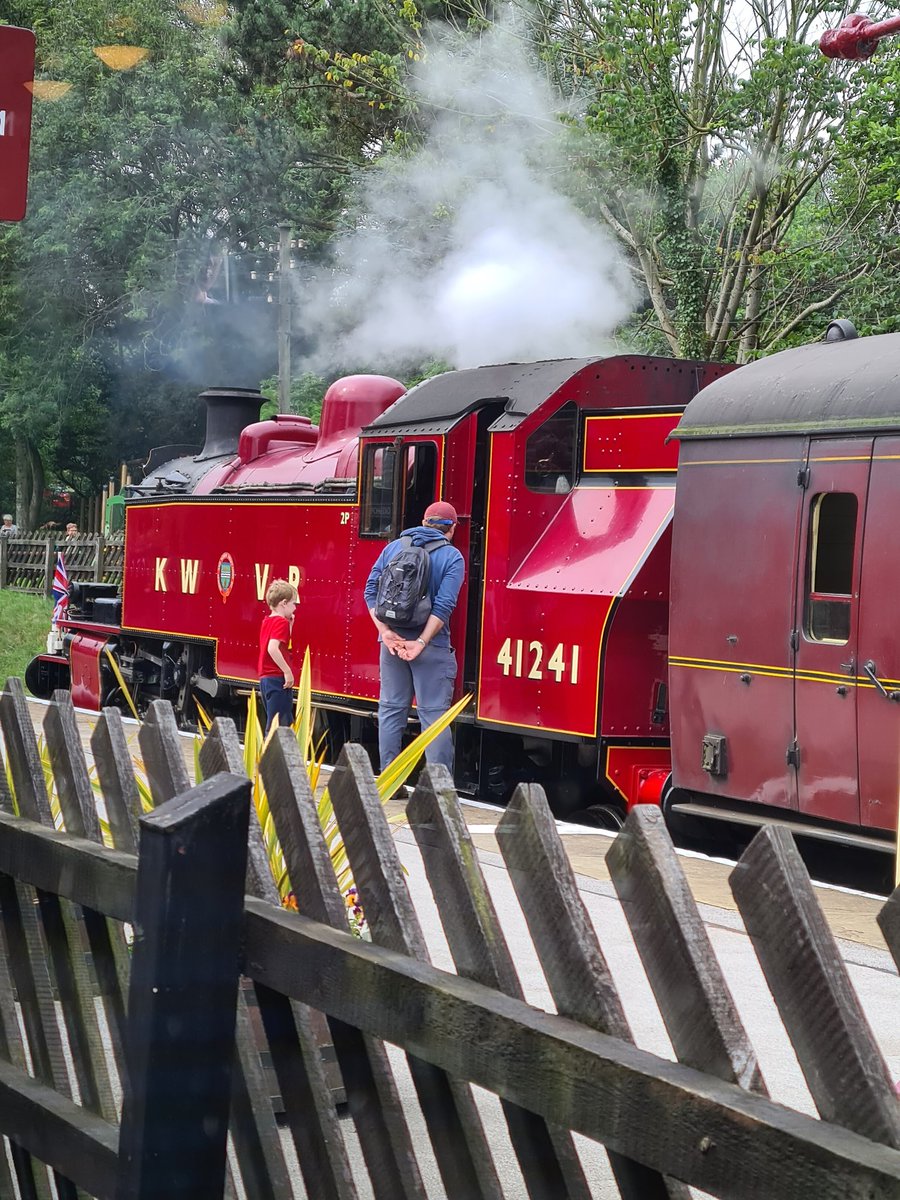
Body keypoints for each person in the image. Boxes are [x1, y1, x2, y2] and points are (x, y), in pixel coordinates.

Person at [364, 500, 465, 773]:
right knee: (433, 717)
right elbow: (444, 605)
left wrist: (385, 633)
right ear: (452, 528)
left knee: (391, 710)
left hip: (392, 644)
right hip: (430, 647)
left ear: (423, 523)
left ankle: (389, 782)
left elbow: (370, 591)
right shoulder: (452, 557)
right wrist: (421, 642)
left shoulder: (393, 548)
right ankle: (437, 790)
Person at [257, 578, 298, 735]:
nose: (294, 608)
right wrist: (287, 671)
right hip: (277, 678)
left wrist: (290, 626)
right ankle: (271, 757)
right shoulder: (281, 622)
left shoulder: (267, 620)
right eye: (293, 604)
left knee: (276, 718)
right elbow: (273, 648)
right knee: (277, 724)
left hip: (265, 678)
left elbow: (282, 644)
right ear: (284, 603)